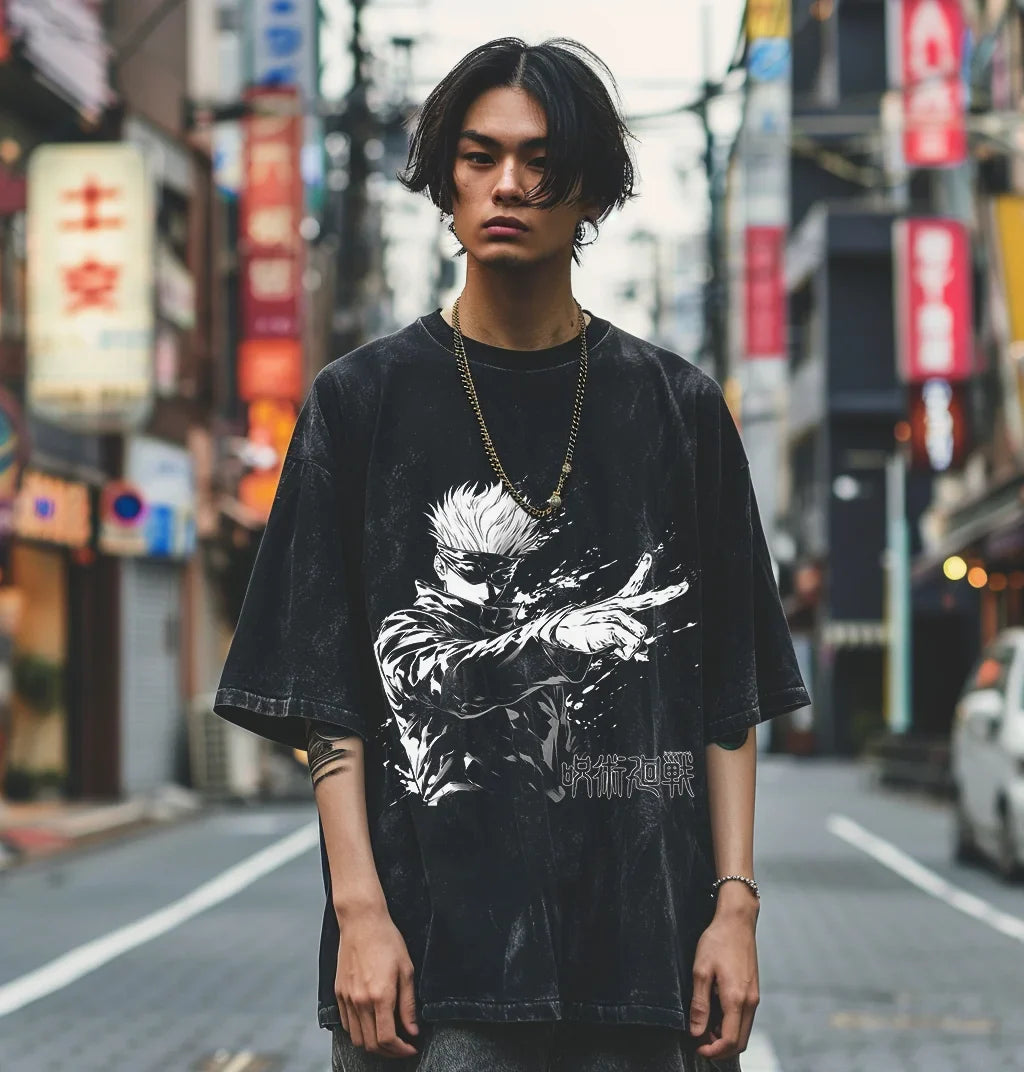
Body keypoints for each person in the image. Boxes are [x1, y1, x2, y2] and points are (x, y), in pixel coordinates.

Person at [214, 36, 810, 1072]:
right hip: (432, 965)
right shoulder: (360, 405)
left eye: (543, 163)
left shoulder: (676, 409)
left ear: (589, 193)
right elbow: (327, 693)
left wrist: (735, 908)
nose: (509, 186)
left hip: (643, 959)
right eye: (480, 155)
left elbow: (726, 690)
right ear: (443, 177)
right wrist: (359, 911)